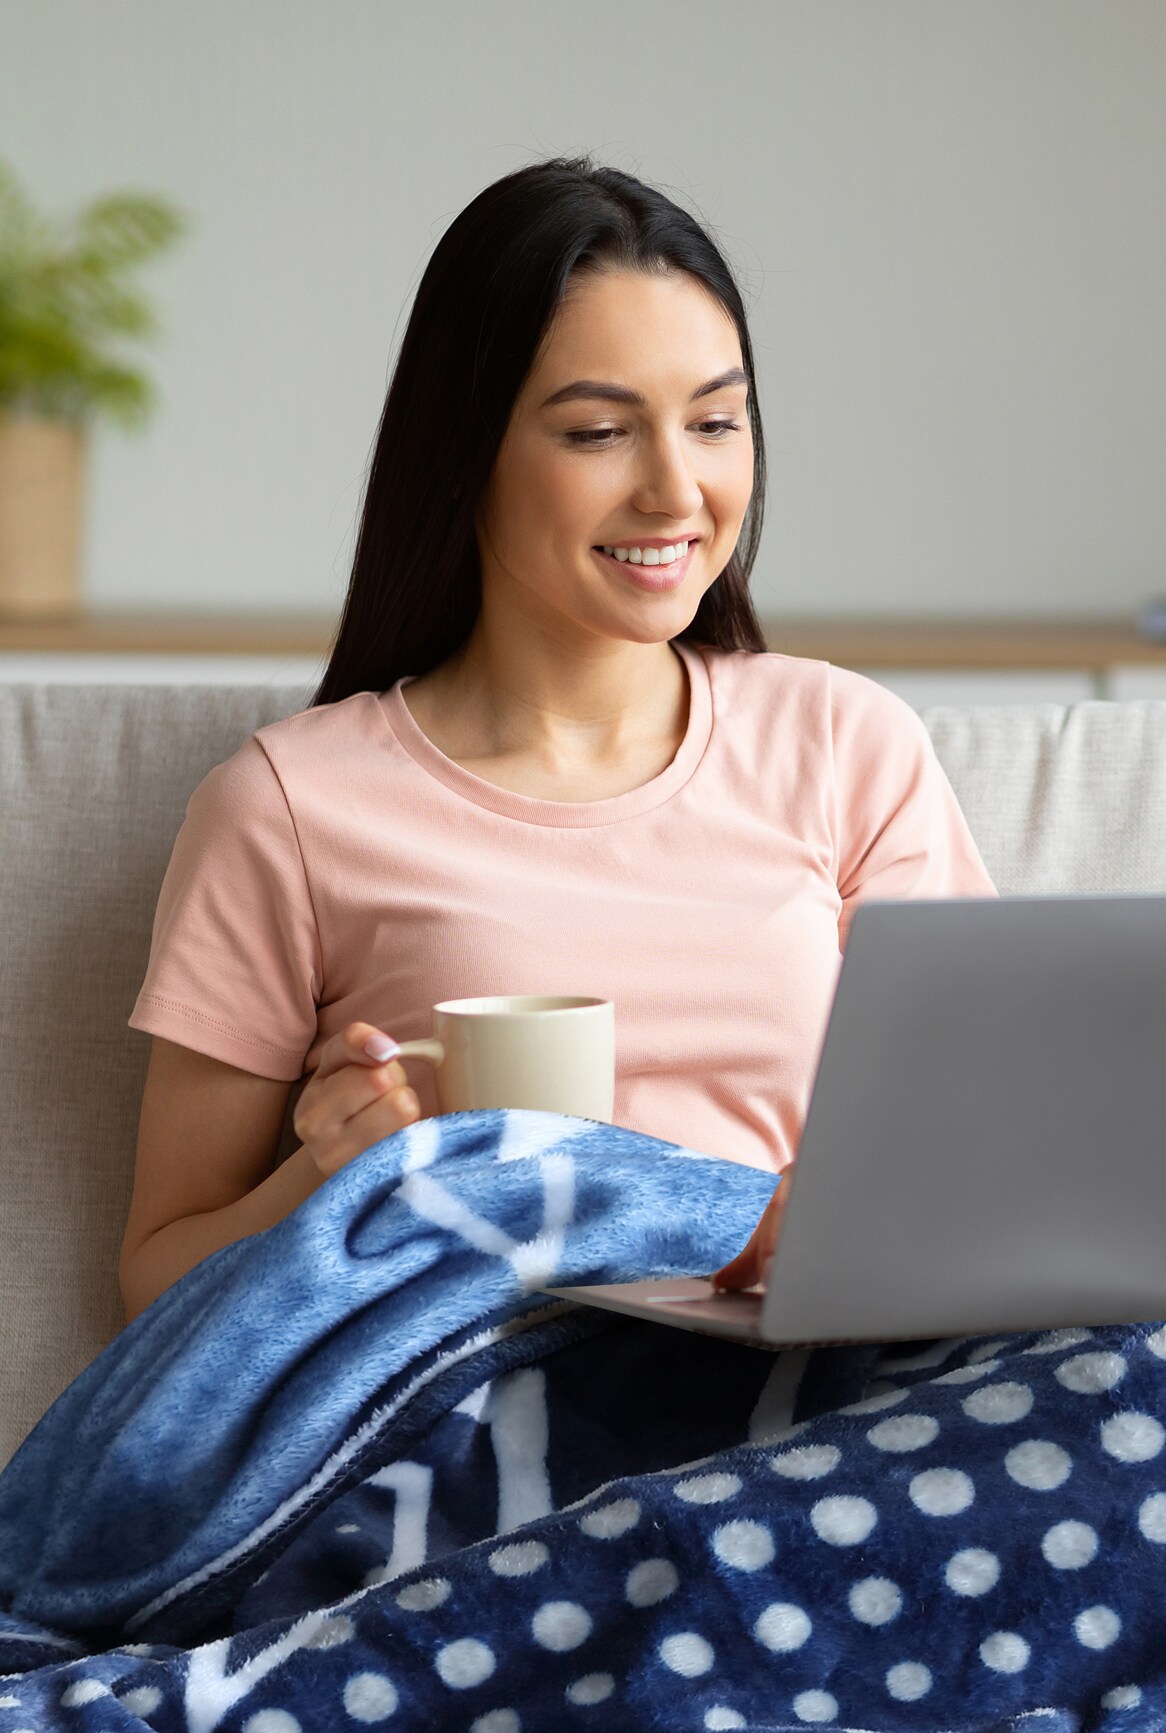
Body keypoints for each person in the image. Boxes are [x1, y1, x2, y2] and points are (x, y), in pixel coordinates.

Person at [117, 159, 994, 1321]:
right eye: (598, 431)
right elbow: (152, 1284)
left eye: (717, 421)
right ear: (464, 453)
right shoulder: (289, 804)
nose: (677, 491)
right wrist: (323, 1176)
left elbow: (988, 1151)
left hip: (824, 1392)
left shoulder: (846, 743)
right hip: (499, 1421)